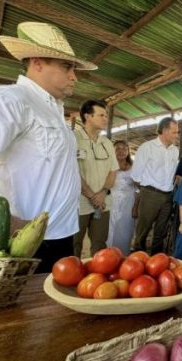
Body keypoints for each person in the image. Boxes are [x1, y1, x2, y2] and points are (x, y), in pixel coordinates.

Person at [0, 22, 97, 273]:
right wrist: (7, 223)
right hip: (19, 243)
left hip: (58, 237)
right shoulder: (10, 100)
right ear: (37, 62)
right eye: (67, 66)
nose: (74, 76)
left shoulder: (53, 112)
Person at [73, 100, 118, 257]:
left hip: (102, 202)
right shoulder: (73, 138)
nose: (106, 118)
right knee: (74, 243)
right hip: (79, 203)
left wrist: (103, 192)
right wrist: (92, 195)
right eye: (101, 115)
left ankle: (96, 278)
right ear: (88, 116)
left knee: (100, 243)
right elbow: (71, 172)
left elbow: (113, 171)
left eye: (106, 115)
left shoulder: (107, 143)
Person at [131, 117, 179, 254]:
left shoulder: (174, 150)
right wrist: (147, 192)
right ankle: (137, 261)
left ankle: (156, 263)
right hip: (150, 194)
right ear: (164, 131)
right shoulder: (147, 148)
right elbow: (136, 176)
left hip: (168, 196)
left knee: (161, 233)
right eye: (175, 132)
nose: (177, 135)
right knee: (142, 231)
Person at [107, 140, 137, 255]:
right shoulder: (108, 165)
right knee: (111, 230)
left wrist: (135, 207)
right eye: (118, 149)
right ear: (113, 151)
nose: (121, 151)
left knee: (126, 231)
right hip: (111, 202)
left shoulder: (134, 166)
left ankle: (123, 255)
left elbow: (138, 189)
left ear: (128, 151)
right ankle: (110, 255)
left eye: (124, 148)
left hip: (128, 204)